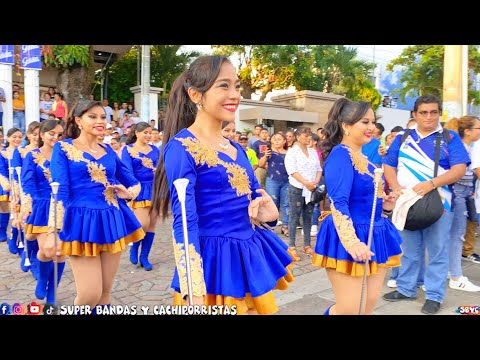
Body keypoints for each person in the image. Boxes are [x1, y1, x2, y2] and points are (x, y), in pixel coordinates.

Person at [152, 55, 294, 314]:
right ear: (196, 94)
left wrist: (269, 214)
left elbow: (254, 197)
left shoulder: (234, 148)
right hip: (214, 264)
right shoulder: (181, 149)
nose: (235, 94)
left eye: (237, 86)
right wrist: (191, 282)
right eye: (223, 86)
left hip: (248, 254)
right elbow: (184, 221)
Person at [48, 99, 144, 309]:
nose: (100, 121)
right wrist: (53, 229)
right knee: (90, 294)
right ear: (78, 121)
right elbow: (61, 189)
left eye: (103, 117)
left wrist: (128, 193)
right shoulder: (63, 148)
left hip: (112, 219)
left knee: (105, 294)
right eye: (92, 116)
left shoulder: (109, 150)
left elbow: (133, 182)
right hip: (81, 222)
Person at [312, 98, 402, 315]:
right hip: (349, 236)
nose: (371, 127)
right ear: (346, 125)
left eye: (373, 122)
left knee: (368, 304)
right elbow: (338, 201)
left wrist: (386, 206)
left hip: (374, 233)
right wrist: (351, 242)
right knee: (349, 309)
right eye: (364, 122)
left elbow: (369, 202)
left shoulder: (368, 161)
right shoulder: (341, 155)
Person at [382, 95, 469, 315]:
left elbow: (459, 169)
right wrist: (395, 187)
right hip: (407, 203)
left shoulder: (450, 138)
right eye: (423, 112)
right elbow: (389, 165)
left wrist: (432, 183)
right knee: (409, 250)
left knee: (438, 251)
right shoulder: (402, 137)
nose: (428, 116)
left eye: (433, 112)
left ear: (439, 113)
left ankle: (434, 296)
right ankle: (406, 288)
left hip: (441, 205)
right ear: (414, 114)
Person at [20, 120, 64, 303]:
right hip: (42, 206)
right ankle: (43, 280)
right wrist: (28, 204)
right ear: (42, 134)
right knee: (47, 251)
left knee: (60, 252)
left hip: (63, 206)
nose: (55, 137)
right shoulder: (32, 155)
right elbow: (28, 181)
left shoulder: (66, 155)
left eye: (60, 134)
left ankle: (52, 292)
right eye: (51, 133)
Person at [442, 117, 480, 292]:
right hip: (457, 196)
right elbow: (458, 175)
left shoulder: (466, 148)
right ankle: (456, 276)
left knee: (454, 236)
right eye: (478, 127)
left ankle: (451, 272)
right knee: (456, 236)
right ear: (467, 131)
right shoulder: (462, 148)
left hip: (460, 195)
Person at [122, 122, 160, 271]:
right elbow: (126, 171)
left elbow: (160, 167)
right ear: (136, 133)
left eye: (150, 132)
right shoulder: (128, 150)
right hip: (139, 188)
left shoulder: (155, 150)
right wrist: (132, 187)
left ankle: (144, 256)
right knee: (142, 223)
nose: (148, 135)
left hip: (154, 189)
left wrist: (159, 171)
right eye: (145, 132)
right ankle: (134, 247)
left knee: (151, 224)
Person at [285, 127, 322, 261]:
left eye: (309, 135)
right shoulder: (292, 152)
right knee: (294, 216)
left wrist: (315, 182)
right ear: (298, 137)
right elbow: (292, 171)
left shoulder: (312, 152)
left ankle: (307, 245)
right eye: (306, 135)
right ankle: (292, 245)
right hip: (297, 187)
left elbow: (318, 169)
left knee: (308, 216)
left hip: (311, 188)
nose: (309, 138)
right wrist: (305, 182)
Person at [259, 132, 289, 237]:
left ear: (284, 141)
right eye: (274, 139)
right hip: (272, 180)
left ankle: (285, 226)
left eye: (279, 139)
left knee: (286, 204)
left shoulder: (289, 153)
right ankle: (271, 226)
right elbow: (260, 164)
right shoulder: (269, 152)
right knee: (272, 204)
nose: (276, 141)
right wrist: (265, 157)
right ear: (271, 140)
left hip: (287, 181)